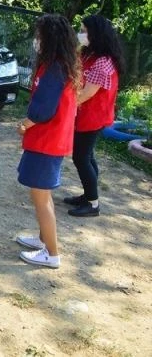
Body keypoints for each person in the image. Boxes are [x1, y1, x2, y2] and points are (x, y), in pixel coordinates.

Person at [14, 14, 79, 269]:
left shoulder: (56, 68)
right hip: (49, 140)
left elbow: (44, 108)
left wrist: (25, 124)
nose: (36, 40)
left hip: (47, 141)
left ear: (49, 38)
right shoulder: (59, 64)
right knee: (43, 195)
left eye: (40, 35)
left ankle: (51, 254)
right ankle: (43, 240)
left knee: (41, 198)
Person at [65, 15, 124, 217]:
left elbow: (88, 92)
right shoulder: (91, 55)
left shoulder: (104, 62)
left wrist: (64, 106)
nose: (80, 34)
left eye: (84, 30)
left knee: (80, 157)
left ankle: (92, 204)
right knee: (87, 156)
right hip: (85, 115)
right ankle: (89, 195)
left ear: (96, 34)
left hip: (93, 117)